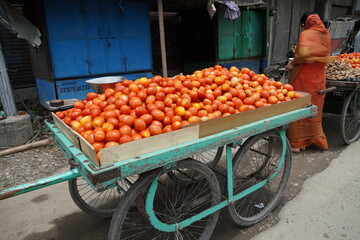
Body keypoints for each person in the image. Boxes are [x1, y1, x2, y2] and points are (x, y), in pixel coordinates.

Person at [286, 12, 336, 153]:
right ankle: (313, 139)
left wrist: (292, 64)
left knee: (299, 105)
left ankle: (298, 143)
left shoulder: (305, 34)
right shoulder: (326, 35)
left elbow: (302, 54)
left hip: (303, 76)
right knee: (314, 108)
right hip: (319, 78)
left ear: (304, 24)